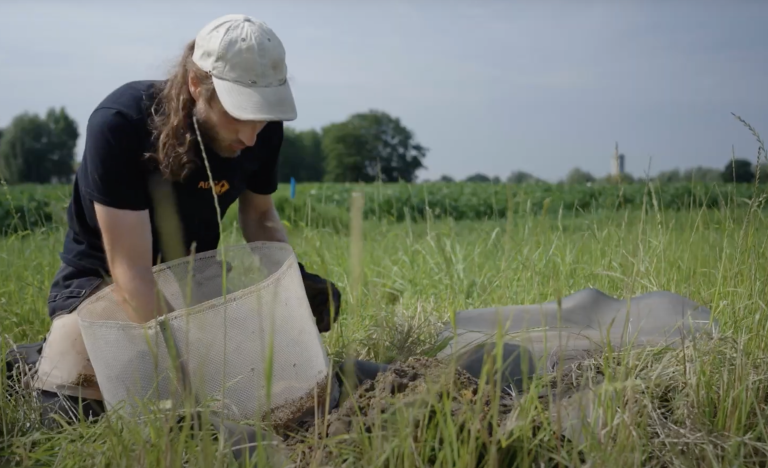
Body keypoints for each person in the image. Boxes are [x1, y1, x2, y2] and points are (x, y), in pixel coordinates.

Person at [24, 13, 340, 425]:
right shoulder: (121, 125)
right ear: (196, 84)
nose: (250, 137)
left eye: (261, 117)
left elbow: (260, 218)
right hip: (100, 286)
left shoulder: (262, 132)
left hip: (194, 282)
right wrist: (190, 374)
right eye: (238, 114)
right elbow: (130, 272)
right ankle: (33, 358)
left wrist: (291, 289)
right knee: (80, 404)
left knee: (274, 372)